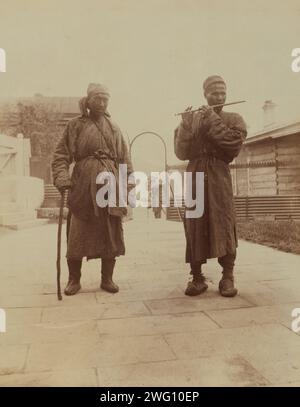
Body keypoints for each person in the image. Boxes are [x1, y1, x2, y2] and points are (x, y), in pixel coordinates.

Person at [52, 83, 133, 296]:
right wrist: (62, 178)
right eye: (98, 98)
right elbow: (60, 155)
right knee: (78, 229)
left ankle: (107, 278)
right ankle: (74, 279)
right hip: (83, 184)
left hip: (110, 183)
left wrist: (127, 183)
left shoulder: (114, 127)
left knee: (110, 229)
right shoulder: (75, 126)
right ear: (88, 100)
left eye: (106, 99)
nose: (102, 103)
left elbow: (124, 159)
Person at [174, 75, 247, 297]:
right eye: (214, 93)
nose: (220, 97)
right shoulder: (192, 119)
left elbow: (232, 145)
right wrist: (186, 126)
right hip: (195, 174)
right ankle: (196, 277)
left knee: (224, 223)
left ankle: (227, 276)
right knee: (195, 224)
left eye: (223, 93)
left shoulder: (234, 118)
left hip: (219, 175)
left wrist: (213, 120)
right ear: (204, 94)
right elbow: (181, 152)